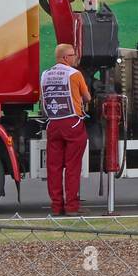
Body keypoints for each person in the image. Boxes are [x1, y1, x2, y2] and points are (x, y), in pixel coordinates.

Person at [40, 43, 91, 215]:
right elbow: (87, 97)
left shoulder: (45, 75)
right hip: (72, 124)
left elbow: (42, 99)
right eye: (73, 54)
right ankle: (71, 207)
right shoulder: (74, 74)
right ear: (64, 58)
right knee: (72, 167)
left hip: (53, 124)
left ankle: (56, 206)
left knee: (53, 167)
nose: (75, 57)